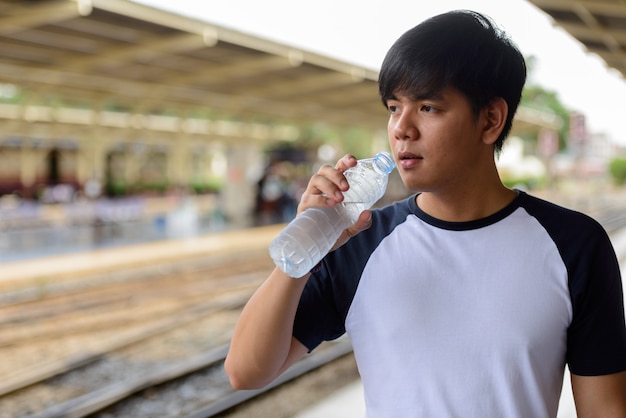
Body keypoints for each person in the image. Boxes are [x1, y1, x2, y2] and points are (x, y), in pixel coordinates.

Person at [225, 10, 626, 417]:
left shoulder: (574, 245)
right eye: (394, 107)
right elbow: (246, 372)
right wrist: (303, 249)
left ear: (491, 119)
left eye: (428, 107)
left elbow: (605, 409)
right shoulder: (360, 240)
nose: (402, 128)